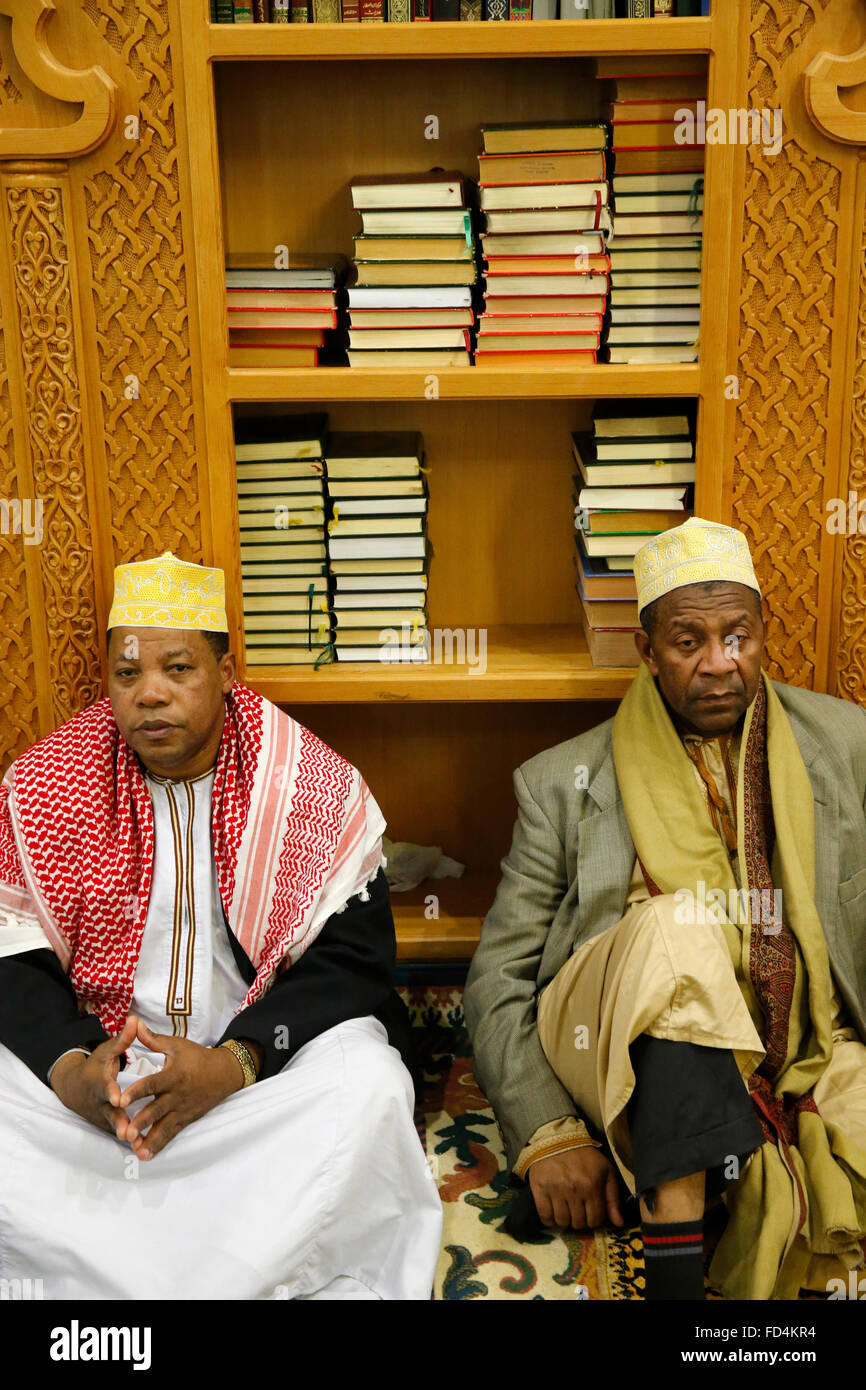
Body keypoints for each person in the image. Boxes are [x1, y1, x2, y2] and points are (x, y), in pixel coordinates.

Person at [0, 551, 442, 1300]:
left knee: (365, 1086)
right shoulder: (48, 783)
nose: (150, 695)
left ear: (226, 671)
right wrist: (74, 1073)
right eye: (128, 673)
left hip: (262, 1076)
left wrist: (234, 1063)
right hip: (108, 1071)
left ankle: (112, 1276)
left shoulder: (305, 781)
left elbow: (356, 966)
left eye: (178, 668)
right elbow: (12, 959)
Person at [465, 517, 866, 1300]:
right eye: (688, 642)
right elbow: (497, 978)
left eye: (738, 637)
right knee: (679, 928)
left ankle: (720, 1186)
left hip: (804, 1043)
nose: (719, 664)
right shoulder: (562, 781)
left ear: (762, 636)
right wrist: (546, 1132)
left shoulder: (846, 745)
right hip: (614, 1043)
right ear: (648, 653)